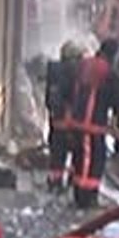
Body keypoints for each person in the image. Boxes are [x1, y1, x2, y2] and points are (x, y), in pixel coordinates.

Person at [70, 38, 119, 208]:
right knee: (91, 162)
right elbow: (116, 98)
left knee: (80, 159)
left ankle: (80, 195)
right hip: (91, 124)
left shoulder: (85, 65)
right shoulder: (108, 71)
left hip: (79, 120)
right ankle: (87, 198)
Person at [44, 41, 84, 192]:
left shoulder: (54, 72)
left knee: (57, 156)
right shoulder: (74, 73)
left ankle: (55, 182)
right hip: (71, 122)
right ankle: (70, 182)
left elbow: (50, 99)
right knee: (76, 154)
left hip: (57, 122)